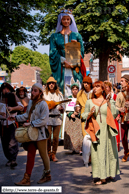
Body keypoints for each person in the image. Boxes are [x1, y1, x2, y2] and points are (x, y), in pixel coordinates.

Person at [10, 83, 51, 185]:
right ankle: (26, 178)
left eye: (35, 91)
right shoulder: (32, 102)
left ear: (40, 93)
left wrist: (31, 123)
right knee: (30, 155)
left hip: (41, 134)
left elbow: (44, 120)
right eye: (32, 90)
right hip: (31, 134)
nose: (32, 92)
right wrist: (15, 118)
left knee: (44, 155)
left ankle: (47, 175)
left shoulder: (43, 104)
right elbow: (25, 115)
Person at [82, 81, 120, 185]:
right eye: (94, 87)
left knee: (109, 151)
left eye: (97, 87)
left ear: (103, 89)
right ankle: (100, 175)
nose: (95, 89)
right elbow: (83, 115)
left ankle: (109, 174)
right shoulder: (89, 102)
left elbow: (114, 113)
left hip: (107, 131)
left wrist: (108, 103)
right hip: (96, 131)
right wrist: (89, 114)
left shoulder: (108, 100)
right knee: (97, 154)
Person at [49, 9, 86, 97]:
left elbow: (82, 52)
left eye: (68, 19)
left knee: (75, 88)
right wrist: (63, 61)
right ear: (60, 20)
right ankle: (63, 108)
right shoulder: (54, 36)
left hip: (74, 68)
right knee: (62, 89)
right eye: (64, 19)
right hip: (61, 68)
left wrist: (73, 63)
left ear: (71, 20)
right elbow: (53, 52)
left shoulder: (77, 35)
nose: (66, 21)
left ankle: (75, 109)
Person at [0, 82, 24, 168]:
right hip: (2, 123)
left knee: (12, 142)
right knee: (5, 142)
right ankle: (9, 159)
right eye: (3, 89)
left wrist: (12, 108)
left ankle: (13, 159)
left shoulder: (13, 96)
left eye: (7, 89)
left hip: (11, 122)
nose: (5, 91)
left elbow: (21, 107)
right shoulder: (0, 97)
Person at [43, 77, 65, 162]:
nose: (51, 84)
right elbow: (42, 106)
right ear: (47, 85)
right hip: (48, 118)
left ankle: (54, 154)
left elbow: (63, 106)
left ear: (55, 84)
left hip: (57, 117)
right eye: (50, 83)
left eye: (53, 83)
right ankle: (48, 153)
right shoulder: (44, 94)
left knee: (56, 138)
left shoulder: (59, 94)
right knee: (48, 137)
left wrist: (62, 109)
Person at [64, 80, 83, 154]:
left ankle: (79, 148)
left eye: (76, 89)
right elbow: (66, 108)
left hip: (78, 118)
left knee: (79, 134)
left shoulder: (80, 98)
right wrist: (70, 114)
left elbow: (83, 107)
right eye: (73, 89)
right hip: (70, 119)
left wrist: (77, 112)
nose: (75, 91)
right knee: (71, 134)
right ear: (71, 90)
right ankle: (72, 148)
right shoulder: (68, 98)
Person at [116, 74, 129, 162]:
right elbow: (116, 106)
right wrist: (119, 109)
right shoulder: (120, 94)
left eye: (122, 81)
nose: (121, 83)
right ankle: (126, 153)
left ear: (127, 82)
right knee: (123, 138)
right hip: (124, 119)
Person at [104, 81, 120, 151]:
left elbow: (118, 106)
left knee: (114, 130)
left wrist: (118, 115)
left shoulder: (114, 96)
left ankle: (115, 147)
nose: (105, 88)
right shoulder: (103, 96)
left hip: (113, 116)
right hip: (106, 116)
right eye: (104, 87)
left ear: (109, 88)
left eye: (106, 87)